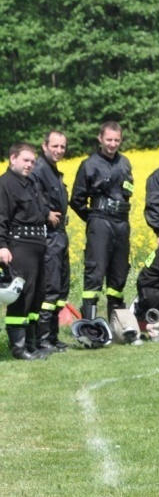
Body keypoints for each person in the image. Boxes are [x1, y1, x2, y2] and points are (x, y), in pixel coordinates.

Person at [70, 121, 134, 321]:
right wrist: (93, 218)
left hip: (121, 222)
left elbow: (128, 192)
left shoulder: (124, 163)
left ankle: (117, 324)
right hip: (100, 220)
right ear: (100, 139)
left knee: (119, 273)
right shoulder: (89, 164)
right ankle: (89, 323)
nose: (113, 144)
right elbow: (77, 200)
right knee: (95, 273)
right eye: (109, 140)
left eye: (116, 140)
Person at [0, 142, 50, 360]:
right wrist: (2, 245)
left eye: (32, 161)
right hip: (19, 244)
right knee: (22, 296)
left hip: (38, 244)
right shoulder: (5, 184)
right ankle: (18, 348)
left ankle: (31, 343)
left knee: (36, 295)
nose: (30, 165)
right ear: (13, 158)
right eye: (25, 160)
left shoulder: (31, 182)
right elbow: (1, 216)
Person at [31, 130, 70, 352]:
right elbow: (33, 195)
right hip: (49, 235)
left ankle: (54, 337)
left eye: (62, 147)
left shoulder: (53, 171)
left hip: (60, 234)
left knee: (61, 286)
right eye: (55, 146)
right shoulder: (39, 169)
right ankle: (43, 338)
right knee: (50, 288)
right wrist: (46, 212)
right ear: (44, 146)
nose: (59, 150)